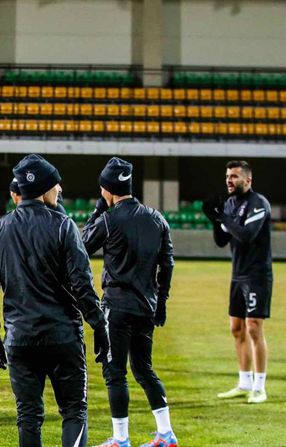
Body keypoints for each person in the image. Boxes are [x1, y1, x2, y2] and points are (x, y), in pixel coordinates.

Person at [0, 154, 109, 447]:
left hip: (19, 338)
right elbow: (82, 286)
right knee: (74, 410)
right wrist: (100, 328)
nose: (60, 189)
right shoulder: (64, 225)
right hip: (63, 336)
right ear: (44, 188)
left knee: (28, 415)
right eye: (56, 184)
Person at [82, 157, 177, 447]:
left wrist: (98, 211)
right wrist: (161, 303)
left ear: (106, 189)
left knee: (115, 373)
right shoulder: (156, 217)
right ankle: (166, 434)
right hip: (146, 307)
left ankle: (121, 439)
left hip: (117, 308)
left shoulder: (109, 220)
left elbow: (81, 245)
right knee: (144, 369)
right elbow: (167, 263)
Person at [203, 160, 272, 404]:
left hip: (257, 275)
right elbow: (223, 240)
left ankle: (260, 387)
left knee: (254, 326)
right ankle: (244, 382)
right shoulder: (230, 204)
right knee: (236, 328)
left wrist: (223, 216)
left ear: (248, 180)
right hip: (237, 274)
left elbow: (246, 235)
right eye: (227, 177)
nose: (229, 180)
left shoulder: (259, 204)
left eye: (234, 176)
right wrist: (214, 219)